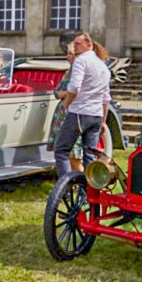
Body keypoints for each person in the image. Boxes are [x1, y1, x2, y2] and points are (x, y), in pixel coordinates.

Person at [53, 32, 112, 179]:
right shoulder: (103, 66)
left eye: (78, 44)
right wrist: (103, 121)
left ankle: (65, 186)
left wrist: (66, 104)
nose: (75, 46)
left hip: (80, 112)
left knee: (61, 150)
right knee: (89, 155)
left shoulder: (81, 61)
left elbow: (74, 87)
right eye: (74, 44)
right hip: (96, 115)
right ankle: (89, 188)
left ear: (89, 45)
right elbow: (106, 98)